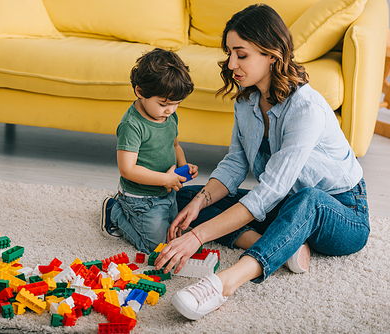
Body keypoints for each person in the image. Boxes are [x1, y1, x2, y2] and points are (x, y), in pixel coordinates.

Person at [154, 4, 370, 321]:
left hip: (341, 212)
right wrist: (201, 201)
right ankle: (283, 244)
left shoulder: (305, 108)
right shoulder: (247, 99)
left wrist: (199, 236)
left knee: (308, 199)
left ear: (271, 53)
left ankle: (228, 281)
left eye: (241, 55)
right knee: (183, 196)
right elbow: (234, 165)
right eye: (229, 53)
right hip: (284, 204)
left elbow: (270, 190)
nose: (231, 64)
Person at [101, 48, 199, 254]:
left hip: (167, 191)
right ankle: (114, 211)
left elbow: (174, 146)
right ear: (140, 92)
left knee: (175, 234)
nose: (170, 110)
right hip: (141, 198)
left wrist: (183, 166)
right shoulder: (132, 125)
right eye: (164, 104)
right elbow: (127, 169)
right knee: (155, 248)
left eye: (176, 104)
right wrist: (165, 179)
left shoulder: (169, 116)